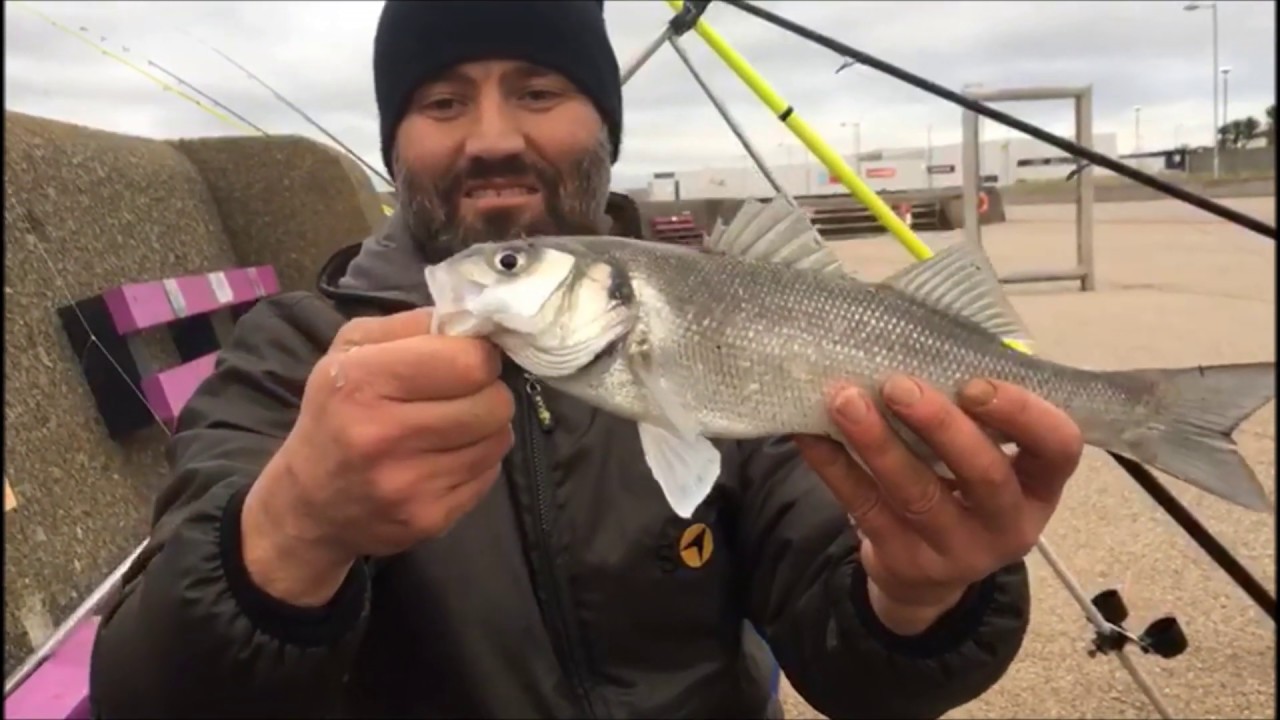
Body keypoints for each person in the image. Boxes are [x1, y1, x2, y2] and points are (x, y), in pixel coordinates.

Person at [88, 1, 1084, 718]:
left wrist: (916, 595)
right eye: (439, 101)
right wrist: (290, 534)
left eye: (536, 88)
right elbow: (143, 695)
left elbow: (858, 667)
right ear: (392, 144)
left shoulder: (721, 311)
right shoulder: (291, 355)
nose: (490, 138)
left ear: (603, 125)